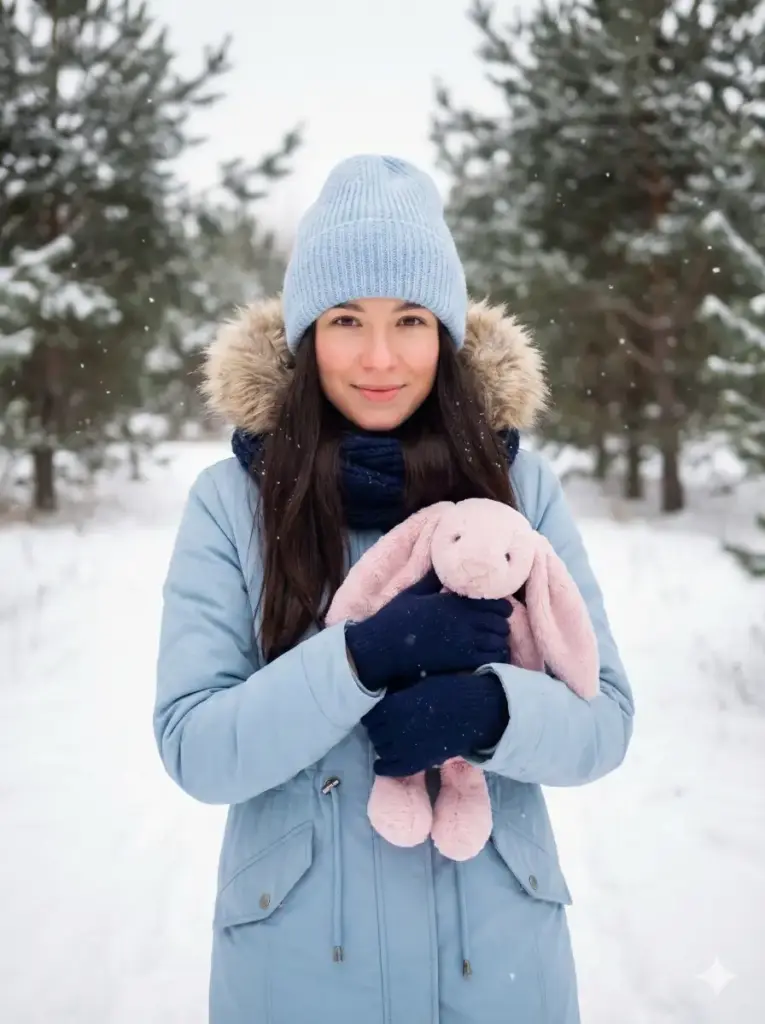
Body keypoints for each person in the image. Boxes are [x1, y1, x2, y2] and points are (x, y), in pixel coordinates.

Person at [154, 155, 634, 1024]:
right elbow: (196, 748)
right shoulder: (228, 504)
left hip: (499, 971)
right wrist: (358, 658)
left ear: (445, 335)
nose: (379, 357)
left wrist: (492, 715)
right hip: (300, 972)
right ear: (307, 337)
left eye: (409, 319)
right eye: (346, 319)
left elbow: (603, 724)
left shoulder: (521, 491)